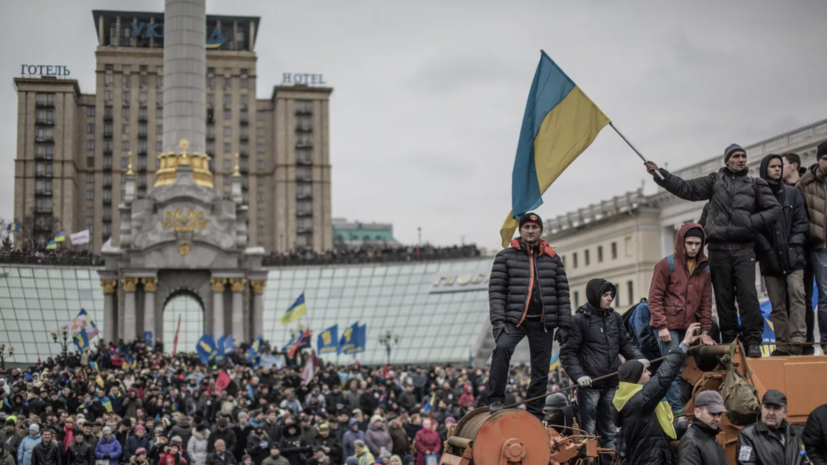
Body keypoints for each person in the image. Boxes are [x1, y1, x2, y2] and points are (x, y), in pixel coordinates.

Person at [645, 144, 781, 357]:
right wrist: (660, 175)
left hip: (743, 248)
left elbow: (774, 209)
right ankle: (730, 339)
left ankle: (753, 340)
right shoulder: (715, 182)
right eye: (736, 156)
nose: (741, 160)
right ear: (727, 160)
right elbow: (686, 188)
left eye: (743, 156)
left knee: (748, 294)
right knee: (723, 297)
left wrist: (749, 222)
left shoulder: (755, 184)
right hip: (717, 249)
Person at [488, 212, 572, 417]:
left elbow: (562, 292)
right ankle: (496, 400)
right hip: (514, 319)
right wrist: (498, 321)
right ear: (520, 230)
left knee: (541, 368)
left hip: (543, 321)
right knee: (502, 349)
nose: (530, 231)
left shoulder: (553, 258)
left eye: (535, 227)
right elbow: (496, 291)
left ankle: (535, 411)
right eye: (526, 227)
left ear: (540, 231)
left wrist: (565, 324)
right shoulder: (505, 256)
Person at [560, 278, 646, 454]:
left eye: (611, 295)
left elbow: (626, 344)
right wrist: (578, 376)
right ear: (595, 295)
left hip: (611, 384)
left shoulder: (615, 318)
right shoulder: (579, 320)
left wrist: (638, 358)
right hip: (589, 386)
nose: (610, 298)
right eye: (605, 295)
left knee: (610, 434)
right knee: (588, 435)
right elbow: (567, 353)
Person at [649, 222, 716, 414]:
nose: (694, 247)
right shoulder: (666, 264)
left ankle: (683, 407)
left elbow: (705, 302)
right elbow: (655, 297)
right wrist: (661, 326)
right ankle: (677, 412)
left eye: (697, 243)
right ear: (682, 242)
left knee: (688, 369)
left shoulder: (705, 268)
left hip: (690, 326)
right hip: (668, 326)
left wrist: (705, 332)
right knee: (672, 369)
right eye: (690, 243)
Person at [613, 322, 701, 465]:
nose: (649, 372)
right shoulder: (638, 400)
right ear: (635, 378)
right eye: (644, 371)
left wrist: (687, 426)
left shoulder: (626, 399)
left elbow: (657, 431)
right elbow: (663, 377)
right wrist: (684, 343)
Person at [756, 154, 809, 355]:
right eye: (772, 167)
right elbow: (756, 227)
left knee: (797, 295)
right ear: (764, 169)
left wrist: (794, 244)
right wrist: (767, 250)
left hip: (793, 256)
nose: (777, 170)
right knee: (777, 304)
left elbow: (801, 221)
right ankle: (782, 344)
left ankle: (797, 339)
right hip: (769, 259)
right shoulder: (757, 197)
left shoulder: (792, 193)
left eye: (779, 166)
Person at [784, 152, 818, 355]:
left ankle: (808, 343)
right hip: (786, 251)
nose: (779, 168)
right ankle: (792, 343)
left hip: (806, 248)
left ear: (794, 166)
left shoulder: (807, 186)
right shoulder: (777, 189)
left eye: (783, 164)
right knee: (789, 299)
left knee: (804, 297)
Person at [796, 141, 827, 354]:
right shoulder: (805, 184)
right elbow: (798, 216)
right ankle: (826, 342)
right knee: (825, 294)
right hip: (819, 245)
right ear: (818, 159)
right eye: (826, 158)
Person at [736, 390, 805, 465]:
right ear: (761, 409)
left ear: (785, 413)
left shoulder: (795, 434)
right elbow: (746, 463)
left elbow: (806, 460)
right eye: (767, 407)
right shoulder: (748, 434)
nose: (771, 413)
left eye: (776, 408)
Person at [676, 391, 728, 465]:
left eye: (719, 414)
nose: (717, 419)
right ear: (697, 412)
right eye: (712, 413)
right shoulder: (691, 443)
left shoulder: (710, 436)